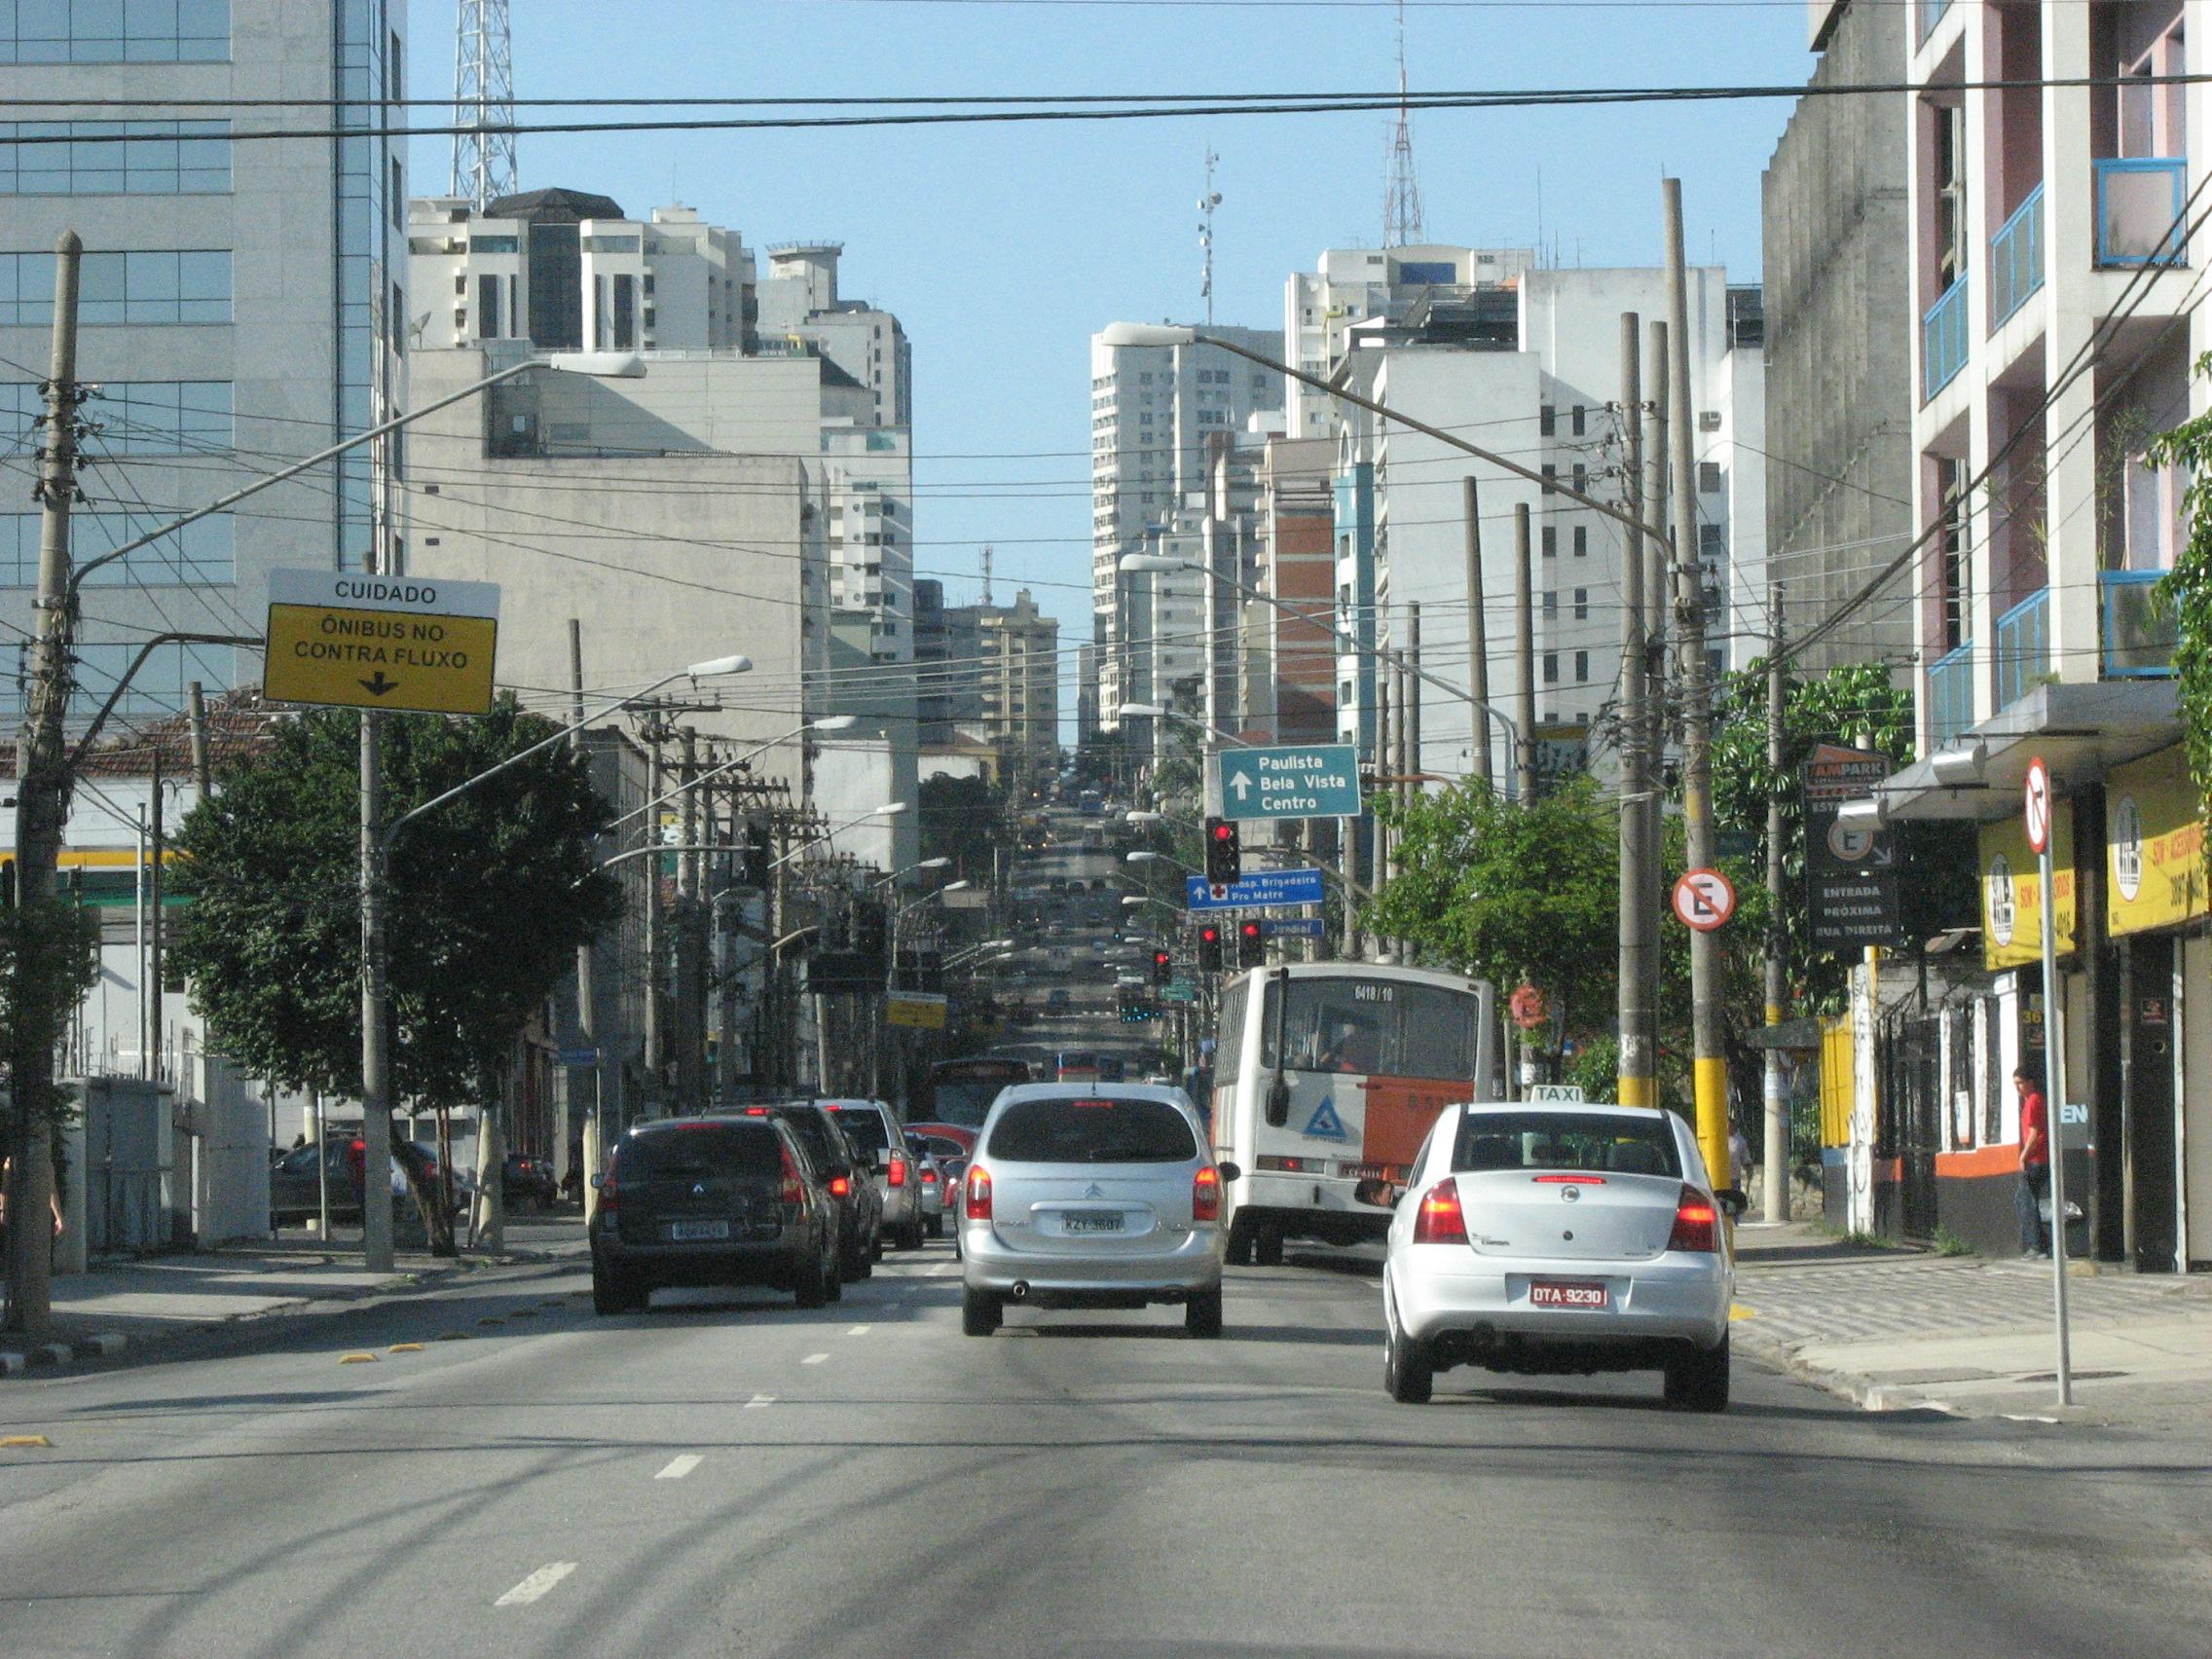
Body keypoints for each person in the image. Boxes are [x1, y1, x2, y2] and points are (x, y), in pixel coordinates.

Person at [2014, 1066, 2051, 1258]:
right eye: (2016, 1084)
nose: (2018, 1088)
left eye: (2020, 1083)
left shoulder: (2033, 1101)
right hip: (2039, 1157)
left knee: (2025, 1201)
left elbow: (2035, 1133)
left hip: (2036, 1159)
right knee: (2026, 1200)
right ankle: (2039, 1244)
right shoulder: (2033, 1101)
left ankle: (2036, 1246)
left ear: (2030, 1082)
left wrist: (2023, 1156)